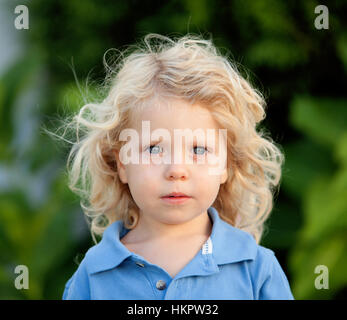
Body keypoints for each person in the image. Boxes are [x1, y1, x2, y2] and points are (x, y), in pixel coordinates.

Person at [61, 33, 294, 299]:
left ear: (225, 164)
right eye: (154, 149)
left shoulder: (255, 269)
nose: (176, 170)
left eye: (198, 150)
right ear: (123, 163)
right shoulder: (94, 275)